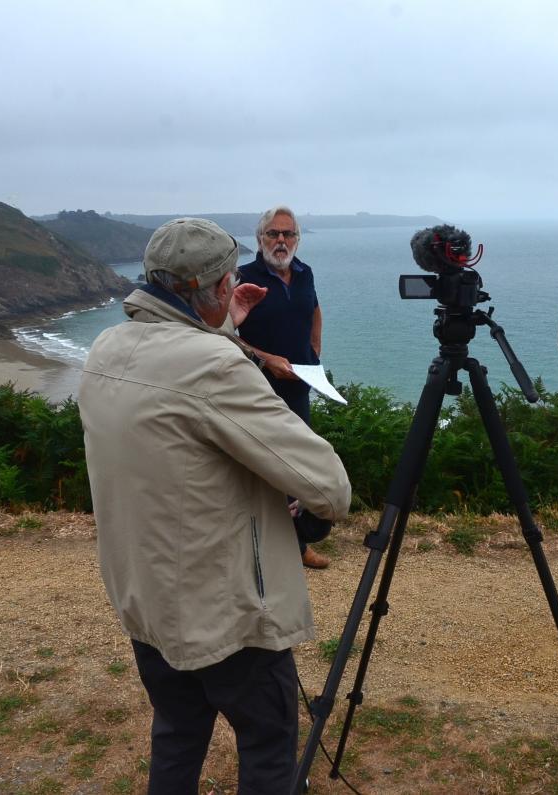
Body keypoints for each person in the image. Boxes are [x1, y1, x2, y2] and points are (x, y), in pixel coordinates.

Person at [78, 217, 351, 793]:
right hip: (225, 609)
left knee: (177, 732)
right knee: (267, 745)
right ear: (222, 287)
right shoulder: (214, 365)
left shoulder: (105, 348)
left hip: (146, 596)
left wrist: (224, 326)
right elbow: (326, 484)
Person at [236, 205, 331, 569]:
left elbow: (314, 308)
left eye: (287, 234)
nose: (280, 240)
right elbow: (225, 335)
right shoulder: (243, 275)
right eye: (273, 234)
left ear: (297, 239)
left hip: (299, 386)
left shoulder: (305, 272)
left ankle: (297, 545)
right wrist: (266, 359)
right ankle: (252, 545)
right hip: (254, 388)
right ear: (260, 239)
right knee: (256, 465)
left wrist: (315, 348)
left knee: (295, 464)